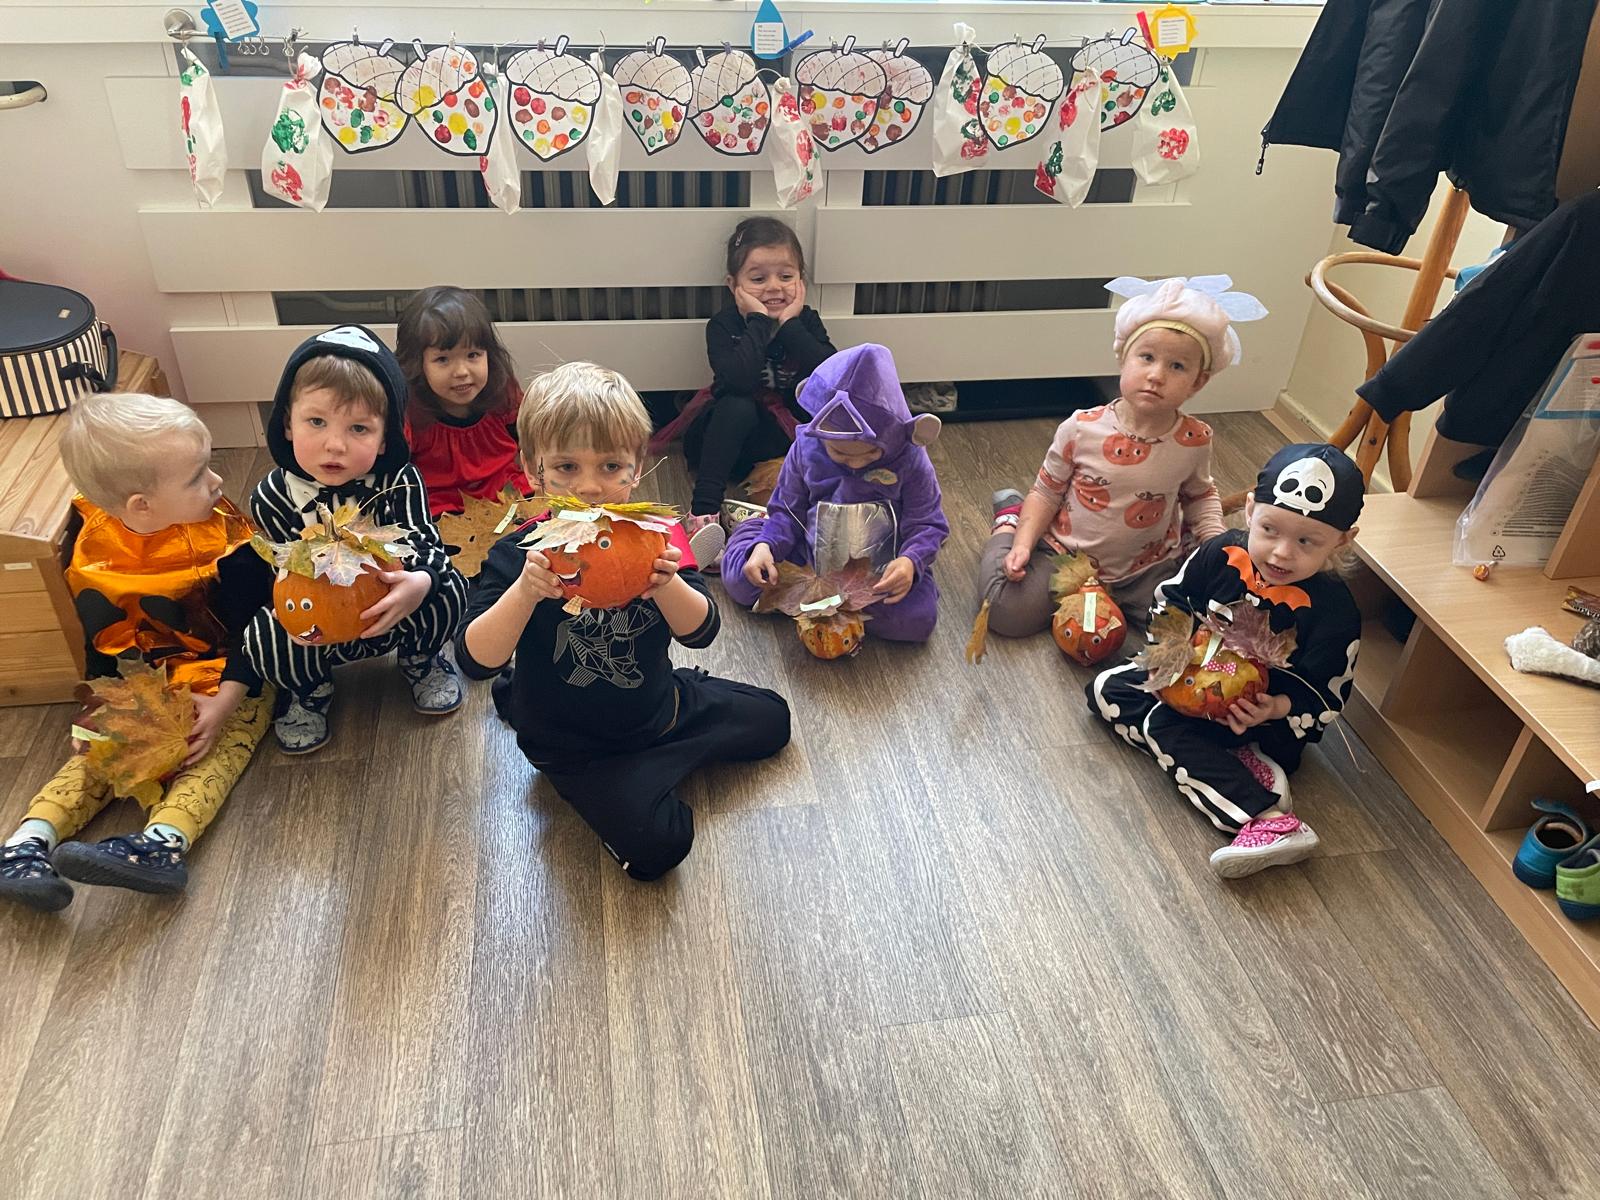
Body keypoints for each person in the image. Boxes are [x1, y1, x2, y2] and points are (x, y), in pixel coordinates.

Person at [456, 361, 790, 880]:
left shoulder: (657, 536)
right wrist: (525, 591)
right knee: (658, 848)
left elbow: (701, 633)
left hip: (660, 707)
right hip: (574, 747)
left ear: (637, 468)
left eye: (610, 466)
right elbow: (475, 660)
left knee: (775, 719)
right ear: (533, 470)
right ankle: (623, 772)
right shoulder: (519, 551)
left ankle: (650, 765)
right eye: (567, 467)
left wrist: (666, 584)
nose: (590, 487)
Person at [0, 393, 274, 911]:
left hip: (230, 676)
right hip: (145, 681)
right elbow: (99, 634)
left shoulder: (229, 541)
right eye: (197, 476)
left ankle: (163, 843)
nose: (217, 481)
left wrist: (227, 701)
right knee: (95, 758)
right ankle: (27, 842)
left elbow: (258, 628)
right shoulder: (96, 545)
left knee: (211, 753)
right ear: (140, 506)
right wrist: (99, 704)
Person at [1087, 444, 1365, 878]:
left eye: (1306, 541)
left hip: (1263, 723)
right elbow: (1172, 600)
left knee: (1163, 726)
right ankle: (1231, 763)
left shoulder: (1335, 611)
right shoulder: (1220, 553)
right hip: (1191, 682)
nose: (1281, 553)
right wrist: (1169, 651)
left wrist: (1275, 708)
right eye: (1270, 530)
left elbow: (1328, 694)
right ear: (1250, 511)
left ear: (1343, 539)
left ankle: (1267, 819)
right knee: (1107, 690)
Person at [980, 276, 1265, 634]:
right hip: (1065, 555)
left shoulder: (1194, 440)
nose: (1156, 375)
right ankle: (1009, 520)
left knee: (1186, 629)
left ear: (1198, 381)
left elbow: (1200, 496)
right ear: (1123, 359)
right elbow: (1047, 492)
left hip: (1145, 569)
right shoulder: (1081, 428)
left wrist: (1215, 542)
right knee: (1005, 613)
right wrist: (1022, 546)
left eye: (1177, 366)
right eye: (1146, 357)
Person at [243, 325, 468, 754]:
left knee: (449, 586)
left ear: (385, 440)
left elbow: (427, 546)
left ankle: (420, 660)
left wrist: (420, 583)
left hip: (392, 611)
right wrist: (293, 617)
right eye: (316, 422)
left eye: (359, 428)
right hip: (317, 628)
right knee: (263, 634)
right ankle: (310, 690)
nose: (335, 445)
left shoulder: (399, 481)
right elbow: (282, 573)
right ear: (287, 423)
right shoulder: (272, 496)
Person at [716, 343, 949, 643]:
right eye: (839, 453)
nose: (855, 463)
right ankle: (752, 530)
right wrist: (767, 546)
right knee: (742, 581)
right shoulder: (806, 449)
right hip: (809, 553)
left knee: (916, 622)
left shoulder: (910, 458)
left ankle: (817, 600)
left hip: (881, 567)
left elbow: (928, 523)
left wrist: (910, 562)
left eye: (870, 454)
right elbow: (788, 512)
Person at [651, 217, 836, 554]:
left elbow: (832, 374)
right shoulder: (723, 325)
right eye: (758, 279)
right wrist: (759, 322)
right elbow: (738, 380)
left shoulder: (806, 321)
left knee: (817, 412)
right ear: (733, 285)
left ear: (800, 280)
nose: (774, 287)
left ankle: (786, 518)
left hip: (782, 448)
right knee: (738, 403)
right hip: (724, 441)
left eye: (786, 277)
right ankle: (703, 513)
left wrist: (790, 326)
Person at [396, 285, 529, 516]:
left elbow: (532, 437)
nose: (461, 371)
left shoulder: (502, 391)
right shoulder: (411, 410)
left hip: (505, 491)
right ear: (417, 363)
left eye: (472, 355)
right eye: (443, 359)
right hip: (441, 504)